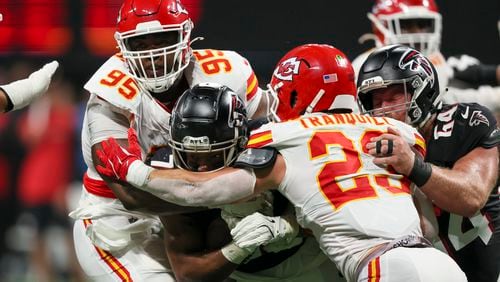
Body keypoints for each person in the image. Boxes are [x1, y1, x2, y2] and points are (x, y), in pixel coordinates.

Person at [94, 49, 467, 281]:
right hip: (430, 262)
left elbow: (197, 188)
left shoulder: (279, 140)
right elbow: (425, 225)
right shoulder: (393, 131)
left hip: (367, 267)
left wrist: (132, 171)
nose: (202, 162)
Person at [68, 0, 269, 280]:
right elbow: (132, 197)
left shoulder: (228, 71)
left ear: (186, 36)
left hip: (191, 219)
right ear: (123, 47)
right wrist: (236, 196)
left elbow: (267, 136)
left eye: (163, 39)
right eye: (140, 44)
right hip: (120, 228)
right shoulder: (108, 96)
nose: (154, 54)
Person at [150, 82, 341, 282]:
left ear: (241, 144)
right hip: (239, 275)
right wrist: (240, 247)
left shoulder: (272, 148)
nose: (203, 170)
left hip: (309, 258)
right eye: (193, 158)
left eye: (215, 157)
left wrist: (289, 225)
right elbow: (188, 272)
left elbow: (335, 213)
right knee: (218, 231)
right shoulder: (169, 170)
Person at [356, 44, 499, 282]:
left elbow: (471, 197)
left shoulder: (465, 123)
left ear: (422, 91)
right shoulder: (368, 146)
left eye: (394, 96)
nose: (383, 111)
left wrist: (412, 164)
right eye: (376, 100)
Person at [352, 0, 500, 97]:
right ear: (381, 26)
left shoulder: (435, 59)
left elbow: (447, 98)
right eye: (406, 25)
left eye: (422, 24)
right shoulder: (365, 66)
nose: (417, 33)